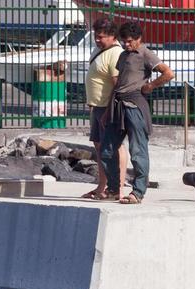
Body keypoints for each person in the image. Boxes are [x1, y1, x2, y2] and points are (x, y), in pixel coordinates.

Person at [106, 21, 174, 204]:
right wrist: (107, 109)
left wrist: (150, 86)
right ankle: (113, 189)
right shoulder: (123, 55)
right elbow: (119, 81)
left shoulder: (145, 54)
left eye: (129, 41)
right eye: (123, 41)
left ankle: (138, 192)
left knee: (138, 151)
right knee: (107, 149)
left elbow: (168, 73)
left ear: (138, 39)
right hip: (118, 106)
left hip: (135, 107)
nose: (126, 45)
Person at [83, 21, 123, 201]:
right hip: (97, 107)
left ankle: (119, 187)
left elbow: (118, 85)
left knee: (116, 147)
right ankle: (103, 185)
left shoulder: (115, 54)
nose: (97, 39)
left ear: (113, 36)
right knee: (99, 147)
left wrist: (110, 110)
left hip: (108, 109)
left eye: (101, 36)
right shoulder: (99, 51)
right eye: (96, 36)